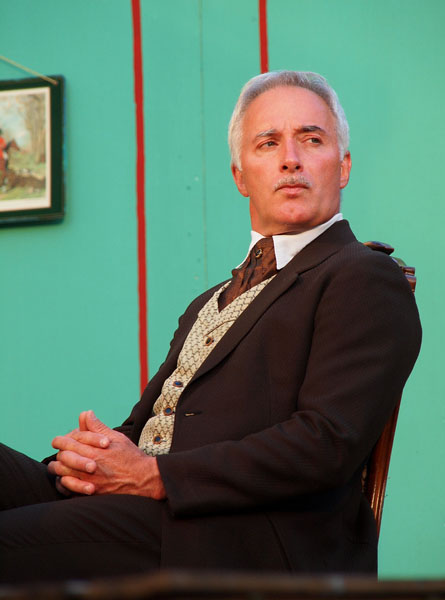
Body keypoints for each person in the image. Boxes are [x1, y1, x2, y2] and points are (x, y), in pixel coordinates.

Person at [0, 71, 421, 583]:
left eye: (311, 139)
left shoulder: (364, 276)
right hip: (150, 512)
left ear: (344, 166)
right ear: (241, 176)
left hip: (239, 538)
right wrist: (91, 459)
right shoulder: (209, 300)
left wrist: (154, 475)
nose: (291, 158)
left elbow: (326, 442)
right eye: (268, 143)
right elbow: (152, 427)